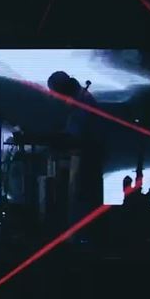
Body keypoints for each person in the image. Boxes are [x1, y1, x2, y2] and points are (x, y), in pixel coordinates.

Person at [47, 71, 106, 224]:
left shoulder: (82, 102)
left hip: (88, 156)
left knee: (83, 197)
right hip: (88, 153)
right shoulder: (80, 99)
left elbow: (76, 132)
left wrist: (58, 138)